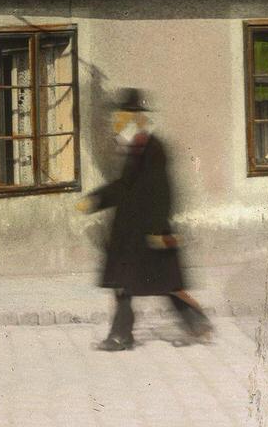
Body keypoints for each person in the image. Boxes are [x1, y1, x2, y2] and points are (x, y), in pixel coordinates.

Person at [77, 87, 213, 350]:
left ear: (136, 117)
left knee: (164, 286)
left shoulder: (152, 148)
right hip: (131, 233)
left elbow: (163, 191)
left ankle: (194, 323)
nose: (116, 120)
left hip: (148, 232)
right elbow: (123, 187)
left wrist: (158, 229)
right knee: (127, 286)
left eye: (121, 115)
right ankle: (123, 335)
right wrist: (96, 200)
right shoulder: (135, 148)